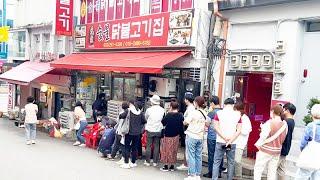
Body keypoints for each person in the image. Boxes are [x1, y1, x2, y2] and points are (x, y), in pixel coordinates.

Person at [254, 105, 288, 180]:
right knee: (272, 171)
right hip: (277, 151)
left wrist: (262, 128)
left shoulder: (269, 123)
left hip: (265, 150)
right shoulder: (285, 125)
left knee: (258, 169)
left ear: (273, 112)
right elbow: (283, 137)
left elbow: (263, 136)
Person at [212, 98, 242, 180]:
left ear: (224, 104)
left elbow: (215, 127)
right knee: (231, 162)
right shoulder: (238, 114)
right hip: (232, 142)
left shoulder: (219, 113)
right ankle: (229, 178)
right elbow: (239, 130)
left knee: (217, 161)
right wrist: (230, 140)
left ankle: (214, 178)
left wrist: (224, 137)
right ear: (233, 105)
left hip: (220, 141)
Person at [183, 96, 209, 180]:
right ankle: (197, 175)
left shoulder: (194, 112)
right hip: (200, 136)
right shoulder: (205, 113)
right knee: (198, 156)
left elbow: (186, 122)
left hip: (192, 135)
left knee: (191, 156)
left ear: (196, 103)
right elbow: (208, 123)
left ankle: (192, 175)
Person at [295, 104, 320, 180]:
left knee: (301, 176)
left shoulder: (311, 126)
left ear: (312, 113)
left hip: (310, 155)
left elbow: (303, 143)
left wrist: (303, 150)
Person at [121, 100, 146, 169]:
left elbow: (121, 116)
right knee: (134, 148)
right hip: (137, 133)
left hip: (129, 132)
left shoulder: (128, 111)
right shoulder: (140, 112)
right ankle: (133, 162)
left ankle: (126, 163)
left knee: (127, 147)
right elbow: (144, 121)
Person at [160, 101, 184, 172]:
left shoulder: (169, 114)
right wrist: (181, 135)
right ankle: (172, 166)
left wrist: (168, 112)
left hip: (168, 134)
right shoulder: (180, 115)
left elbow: (163, 122)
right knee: (174, 150)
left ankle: (166, 166)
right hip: (176, 135)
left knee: (166, 150)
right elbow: (181, 126)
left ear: (171, 107)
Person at [203, 96, 223, 178]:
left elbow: (207, 124)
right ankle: (219, 172)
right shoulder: (223, 112)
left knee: (211, 155)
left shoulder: (211, 113)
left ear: (212, 103)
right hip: (221, 137)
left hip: (212, 136)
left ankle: (211, 172)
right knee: (220, 155)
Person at [144, 95, 165, 167]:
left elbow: (146, 118)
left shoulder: (149, 110)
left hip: (150, 128)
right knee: (157, 145)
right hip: (158, 129)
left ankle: (147, 161)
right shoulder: (162, 110)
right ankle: (155, 162)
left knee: (148, 145)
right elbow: (163, 119)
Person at [177, 92, 195, 171]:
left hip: (188, 128)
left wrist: (183, 122)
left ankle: (186, 163)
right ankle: (186, 163)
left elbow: (187, 120)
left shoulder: (190, 108)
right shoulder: (191, 107)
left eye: (185, 99)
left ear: (187, 100)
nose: (184, 100)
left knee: (187, 147)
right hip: (189, 128)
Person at [233, 102, 252, 179]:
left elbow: (246, 131)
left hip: (240, 143)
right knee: (234, 160)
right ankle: (234, 175)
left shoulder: (245, 118)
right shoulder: (237, 117)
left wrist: (237, 129)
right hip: (234, 141)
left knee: (237, 160)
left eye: (235, 109)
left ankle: (238, 176)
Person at [277, 103, 296, 180]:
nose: (282, 110)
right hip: (286, 148)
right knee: (281, 170)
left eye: (284, 109)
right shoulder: (292, 121)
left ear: (287, 110)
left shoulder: (286, 122)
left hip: (281, 148)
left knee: (272, 168)